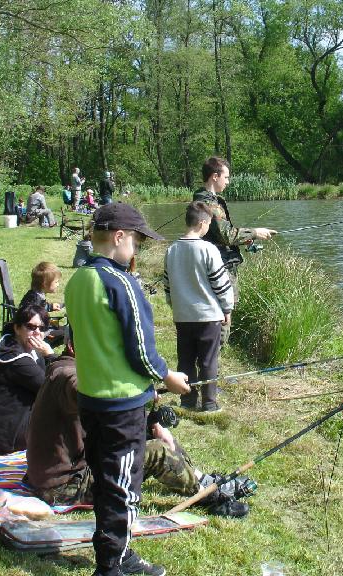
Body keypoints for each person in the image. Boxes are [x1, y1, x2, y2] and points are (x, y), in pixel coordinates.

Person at [64, 202, 190, 576]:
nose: (135, 250)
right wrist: (168, 377)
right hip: (121, 405)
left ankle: (117, 555)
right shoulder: (122, 283)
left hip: (91, 399)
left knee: (107, 481)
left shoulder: (78, 280)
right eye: (135, 241)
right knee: (123, 487)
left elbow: (77, 341)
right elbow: (142, 351)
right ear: (119, 237)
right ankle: (110, 566)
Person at [25, 326, 252, 517]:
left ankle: (204, 480)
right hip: (64, 488)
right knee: (157, 452)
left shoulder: (65, 367)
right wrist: (140, 396)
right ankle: (211, 495)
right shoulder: (69, 377)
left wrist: (151, 423)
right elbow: (101, 401)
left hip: (61, 473)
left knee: (153, 434)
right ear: (73, 347)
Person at [193, 157, 276, 343]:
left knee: (216, 315)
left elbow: (220, 235)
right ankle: (214, 356)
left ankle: (209, 355)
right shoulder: (209, 203)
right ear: (215, 176)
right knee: (223, 317)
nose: (228, 182)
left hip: (211, 264)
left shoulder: (204, 199)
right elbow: (227, 235)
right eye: (226, 177)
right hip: (220, 267)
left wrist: (245, 239)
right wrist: (255, 232)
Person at [164, 201, 234, 413]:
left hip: (182, 316)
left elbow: (168, 286)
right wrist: (227, 308)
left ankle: (187, 400)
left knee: (185, 359)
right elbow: (221, 283)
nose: (208, 228)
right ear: (202, 223)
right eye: (209, 224)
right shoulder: (208, 249)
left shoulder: (171, 249)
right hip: (208, 317)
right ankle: (209, 403)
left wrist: (175, 306)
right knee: (208, 361)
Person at [0, 304, 57, 455]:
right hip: (2, 438)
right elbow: (54, 388)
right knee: (67, 406)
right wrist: (51, 356)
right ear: (17, 328)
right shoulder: (16, 359)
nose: (37, 333)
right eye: (31, 327)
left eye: (42, 328)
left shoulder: (9, 345)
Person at [19, 261, 64, 346]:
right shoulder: (35, 300)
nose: (58, 284)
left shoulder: (35, 294)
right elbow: (32, 321)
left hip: (41, 324)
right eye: (56, 282)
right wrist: (49, 326)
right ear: (45, 284)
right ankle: (44, 349)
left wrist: (50, 306)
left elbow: (41, 307)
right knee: (66, 331)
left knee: (59, 325)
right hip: (36, 330)